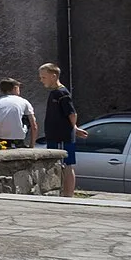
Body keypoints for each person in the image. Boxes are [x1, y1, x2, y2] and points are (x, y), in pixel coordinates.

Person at [38, 62, 87, 196]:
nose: (41, 80)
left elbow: (72, 113)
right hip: (55, 135)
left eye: (44, 77)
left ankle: (68, 195)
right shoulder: (54, 93)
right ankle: (62, 193)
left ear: (53, 76)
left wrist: (74, 129)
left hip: (62, 136)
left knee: (67, 165)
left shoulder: (62, 93)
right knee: (59, 166)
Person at [0, 79, 37, 148]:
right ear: (15, 88)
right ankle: (19, 143)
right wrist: (32, 145)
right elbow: (34, 126)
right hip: (18, 136)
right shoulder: (24, 102)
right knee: (27, 117)